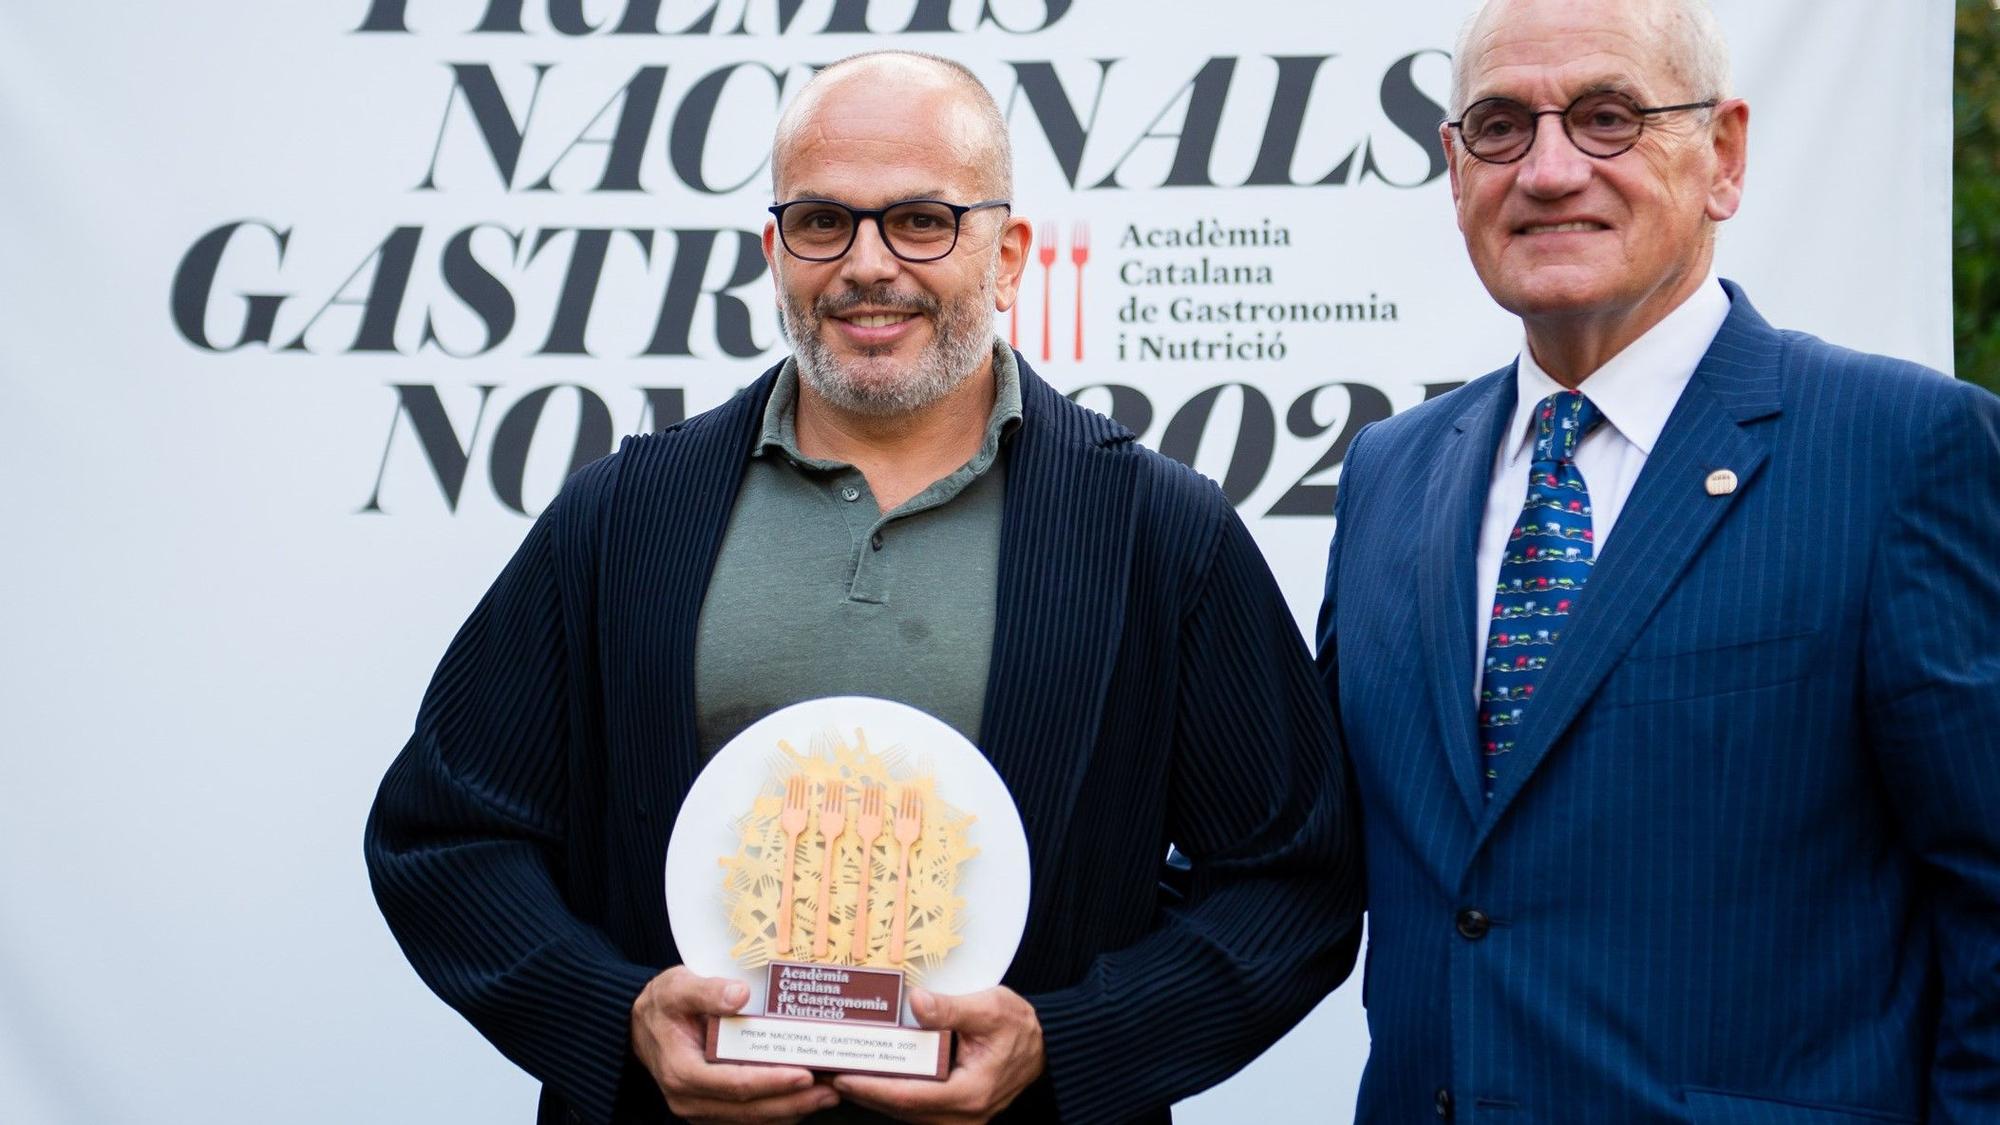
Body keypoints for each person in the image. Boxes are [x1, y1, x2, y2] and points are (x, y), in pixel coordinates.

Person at [367, 50, 1361, 1125]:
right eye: (821, 222)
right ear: (773, 249)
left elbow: (1289, 881)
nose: (866, 264)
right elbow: (445, 835)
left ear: (1009, 254)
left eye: (922, 220)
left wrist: (1062, 1045)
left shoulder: (1159, 534)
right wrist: (619, 1018)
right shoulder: (622, 515)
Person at [1316, 0, 2000, 1120]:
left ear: (1720, 156)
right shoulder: (1391, 476)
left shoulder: (1895, 452)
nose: (1546, 171)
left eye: (1605, 118)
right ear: (1453, 170)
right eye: (1497, 126)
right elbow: (1314, 862)